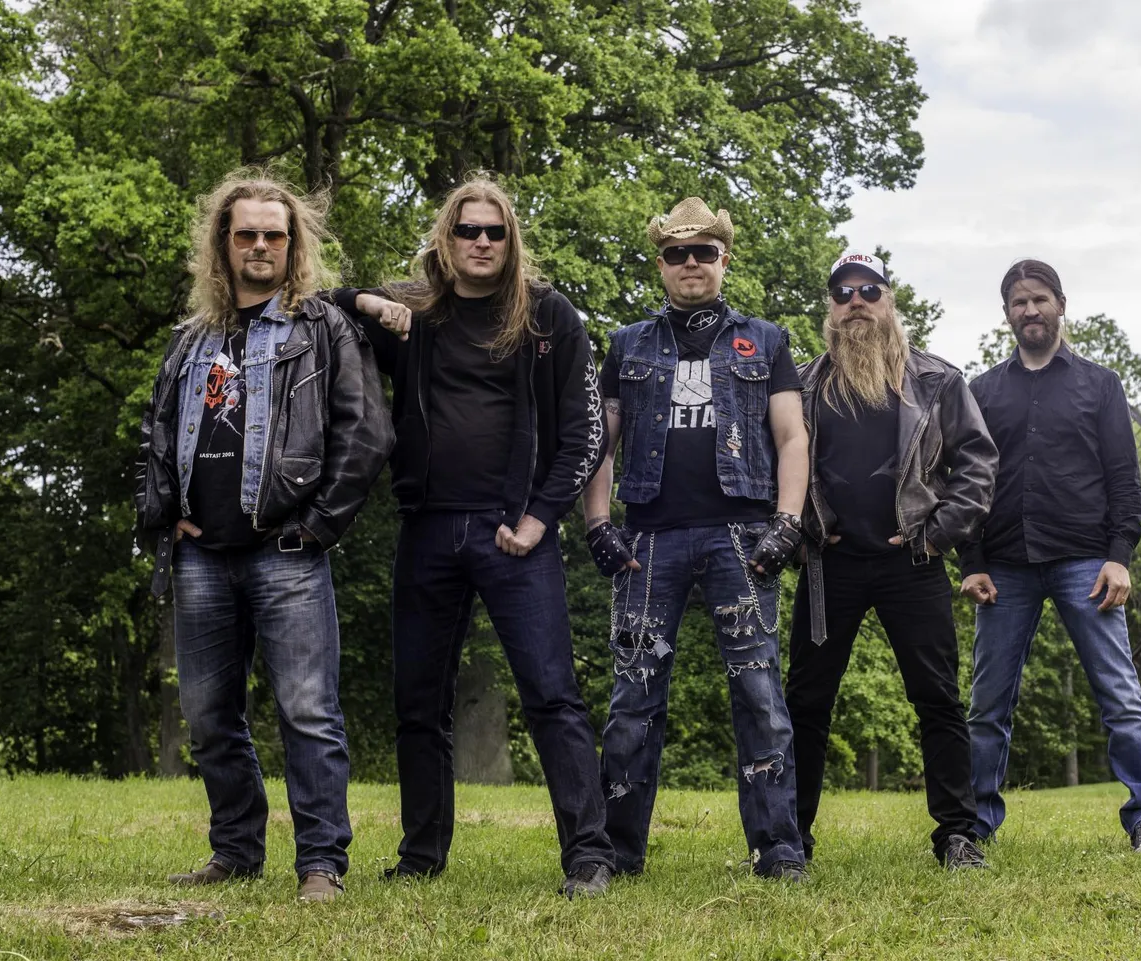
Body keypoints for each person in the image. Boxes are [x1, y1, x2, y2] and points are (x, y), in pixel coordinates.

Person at [333, 176, 616, 897]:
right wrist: (366, 301)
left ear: (510, 239)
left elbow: (586, 433)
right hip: (427, 527)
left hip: (514, 532)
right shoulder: (415, 311)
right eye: (468, 230)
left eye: (495, 231)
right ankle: (421, 856)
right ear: (446, 238)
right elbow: (317, 306)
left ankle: (589, 856)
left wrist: (538, 518)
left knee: (552, 695)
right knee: (418, 703)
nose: (481, 242)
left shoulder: (548, 315)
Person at [134, 171, 394, 901]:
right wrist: (165, 513)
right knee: (208, 717)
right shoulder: (192, 339)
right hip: (199, 555)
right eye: (245, 233)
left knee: (308, 712)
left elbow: (366, 433)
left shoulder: (322, 328)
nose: (258, 246)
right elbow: (158, 432)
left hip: (287, 553)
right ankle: (236, 850)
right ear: (224, 242)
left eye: (272, 235)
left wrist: (318, 525)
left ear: (292, 244)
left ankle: (321, 864)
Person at [582, 197, 809, 880]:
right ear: (660, 264)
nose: (690, 263)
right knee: (633, 697)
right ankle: (617, 852)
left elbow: (792, 437)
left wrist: (788, 523)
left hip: (743, 538)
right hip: (648, 540)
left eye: (703, 251)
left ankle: (779, 850)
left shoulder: (765, 341)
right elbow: (600, 443)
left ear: (723, 259)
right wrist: (597, 524)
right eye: (676, 253)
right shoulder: (627, 343)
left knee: (760, 695)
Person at [785, 252, 999, 871]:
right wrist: (802, 535)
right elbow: (776, 466)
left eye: (868, 290)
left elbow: (978, 464)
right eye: (842, 292)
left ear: (889, 300)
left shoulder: (938, 381)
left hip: (914, 563)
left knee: (938, 699)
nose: (856, 301)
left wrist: (937, 536)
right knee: (805, 703)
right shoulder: (801, 384)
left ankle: (958, 836)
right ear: (830, 307)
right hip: (829, 567)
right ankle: (789, 840)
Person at [960, 259, 1141, 853]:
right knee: (987, 704)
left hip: (1086, 563)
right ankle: (975, 823)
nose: (1030, 310)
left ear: (1060, 304)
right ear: (1007, 313)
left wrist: (1119, 555)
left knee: (1120, 693)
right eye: (1018, 302)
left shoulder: (1100, 384)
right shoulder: (982, 392)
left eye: (1040, 299)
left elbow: (1124, 479)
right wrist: (971, 561)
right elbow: (966, 482)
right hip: (1004, 567)